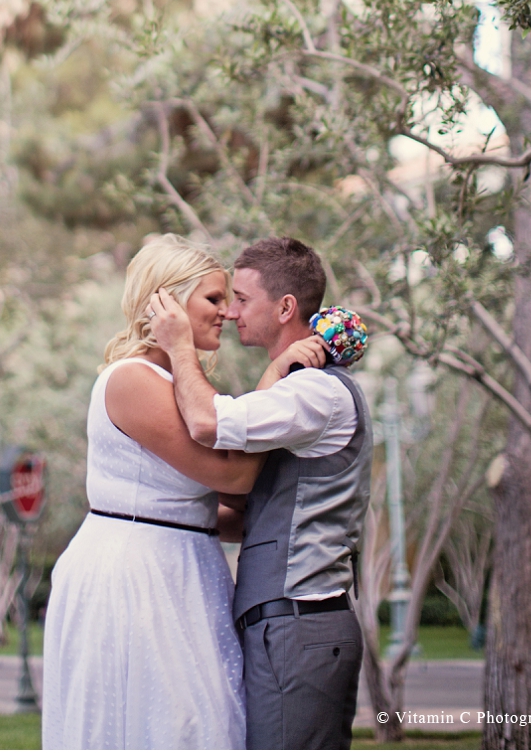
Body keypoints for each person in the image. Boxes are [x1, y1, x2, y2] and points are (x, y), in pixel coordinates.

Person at [42, 234, 315, 751]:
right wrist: (274, 377)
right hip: (136, 575)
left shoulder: (178, 386)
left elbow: (211, 506)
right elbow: (232, 477)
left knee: (206, 722)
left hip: (185, 565)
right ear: (166, 301)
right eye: (213, 299)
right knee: (176, 724)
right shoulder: (132, 380)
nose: (227, 314)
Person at [150, 236, 372, 752]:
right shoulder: (299, 390)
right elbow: (254, 513)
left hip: (300, 626)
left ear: (286, 307)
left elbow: (208, 421)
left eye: (243, 299)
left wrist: (179, 346)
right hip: (290, 627)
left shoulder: (315, 393)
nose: (230, 313)